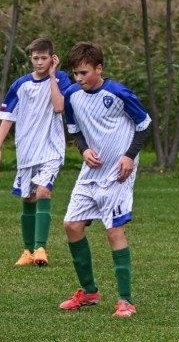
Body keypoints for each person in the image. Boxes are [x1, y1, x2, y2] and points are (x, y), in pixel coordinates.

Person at [59, 41, 151, 318]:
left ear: (99, 69)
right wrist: (84, 149)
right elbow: (74, 129)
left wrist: (129, 156)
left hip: (119, 172)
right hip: (91, 171)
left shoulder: (118, 93)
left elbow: (144, 124)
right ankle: (89, 292)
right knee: (72, 225)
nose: (79, 78)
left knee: (113, 230)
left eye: (84, 73)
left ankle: (126, 301)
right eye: (75, 73)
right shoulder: (71, 95)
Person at [0, 37, 71, 267]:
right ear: (30, 58)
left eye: (44, 58)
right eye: (36, 58)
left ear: (52, 58)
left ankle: (40, 248)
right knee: (28, 197)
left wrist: (53, 76)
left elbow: (59, 107)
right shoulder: (20, 85)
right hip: (26, 151)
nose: (40, 62)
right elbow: (8, 116)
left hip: (51, 149)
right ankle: (27, 251)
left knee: (43, 192)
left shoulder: (61, 79)